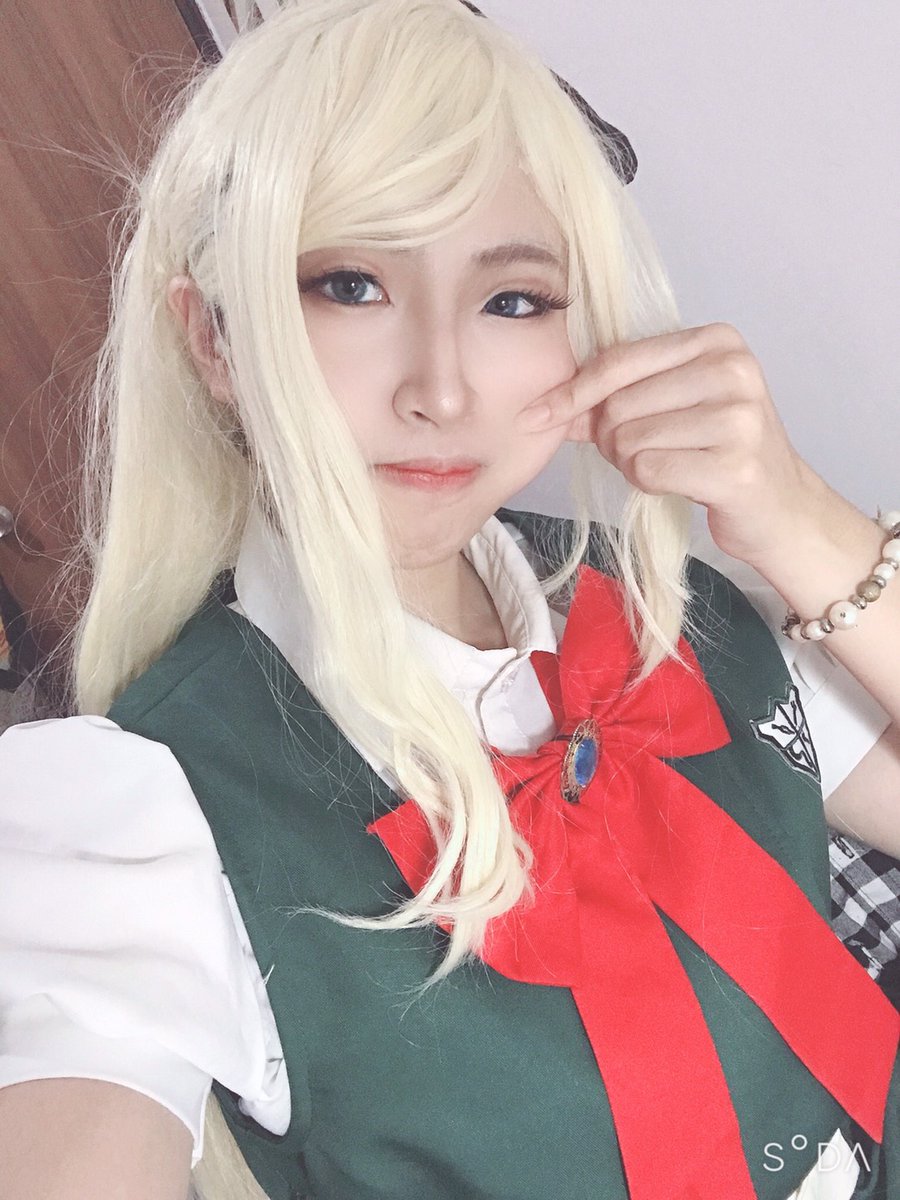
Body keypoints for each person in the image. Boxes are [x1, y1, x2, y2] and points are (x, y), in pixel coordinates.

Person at [0, 1, 898, 1197]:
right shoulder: (133, 811)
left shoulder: (679, 605)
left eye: (514, 299)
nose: (442, 388)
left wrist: (799, 520)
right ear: (216, 340)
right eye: (350, 284)